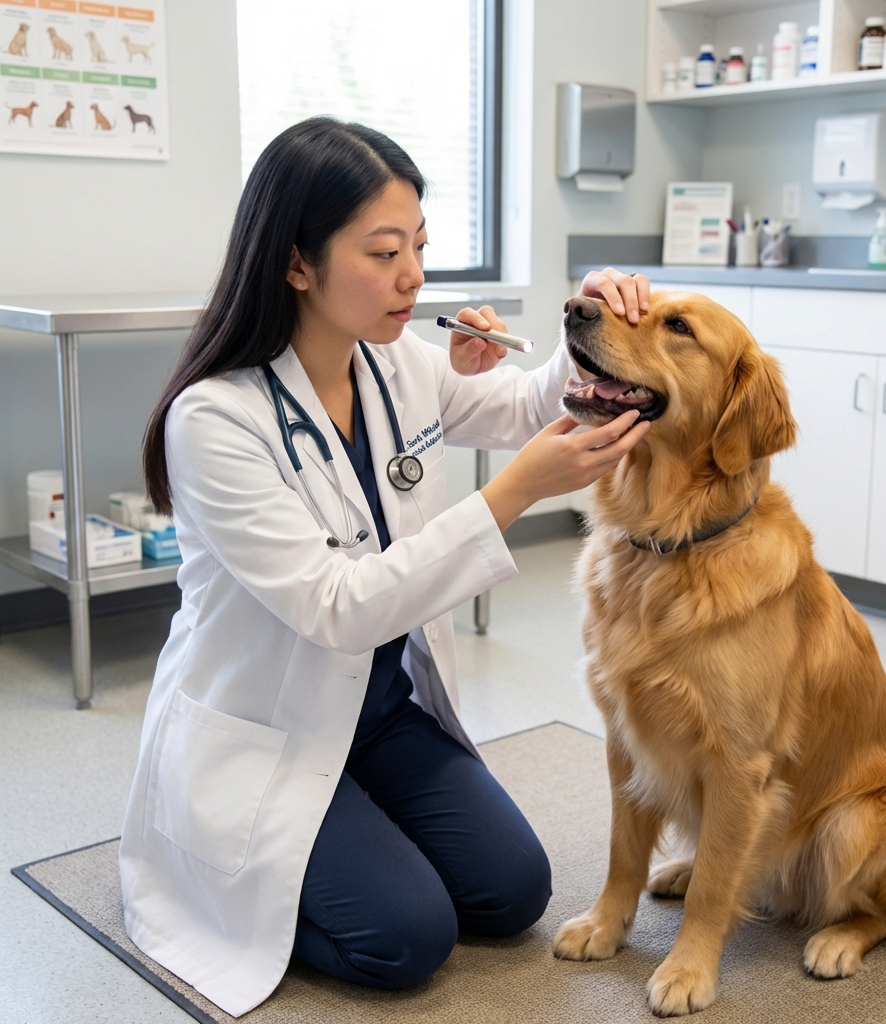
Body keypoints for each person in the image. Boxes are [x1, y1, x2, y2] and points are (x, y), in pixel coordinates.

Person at [119, 117, 651, 1017]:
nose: (414, 275)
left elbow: (526, 399)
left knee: (513, 892)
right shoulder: (214, 421)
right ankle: (229, 877)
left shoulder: (398, 364)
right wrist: (510, 496)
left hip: (381, 715)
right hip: (267, 732)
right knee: (407, 937)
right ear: (296, 263)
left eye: (420, 245)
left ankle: (357, 815)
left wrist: (589, 304)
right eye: (383, 250)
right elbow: (339, 608)